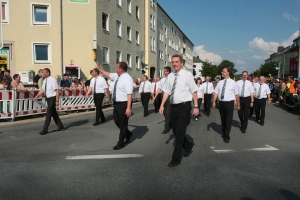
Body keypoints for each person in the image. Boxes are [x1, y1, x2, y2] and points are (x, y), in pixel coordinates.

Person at [159, 54, 199, 167]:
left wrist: (196, 106)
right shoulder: (170, 76)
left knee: (180, 131)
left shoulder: (187, 75)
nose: (174, 64)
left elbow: (194, 91)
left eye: (176, 62)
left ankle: (176, 159)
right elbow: (166, 91)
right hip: (173, 107)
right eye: (173, 62)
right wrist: (162, 105)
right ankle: (188, 146)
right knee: (175, 130)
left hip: (184, 106)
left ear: (181, 63)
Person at [97, 61, 133, 150]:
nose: (115, 69)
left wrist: (128, 108)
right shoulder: (118, 76)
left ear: (120, 69)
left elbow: (129, 95)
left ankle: (120, 143)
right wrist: (99, 69)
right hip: (116, 103)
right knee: (117, 120)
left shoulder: (127, 79)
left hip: (124, 103)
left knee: (123, 123)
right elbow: (108, 74)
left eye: (117, 67)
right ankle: (128, 133)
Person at [33, 68, 64, 135]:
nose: (43, 73)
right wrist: (36, 96)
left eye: (44, 72)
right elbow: (42, 90)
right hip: (48, 98)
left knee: (48, 114)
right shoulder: (45, 80)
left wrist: (57, 100)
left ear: (48, 73)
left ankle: (45, 129)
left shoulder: (53, 80)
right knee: (54, 113)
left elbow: (57, 91)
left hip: (53, 98)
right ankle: (60, 126)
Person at [212, 68, 240, 143]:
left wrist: (238, 104)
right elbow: (216, 92)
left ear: (228, 73)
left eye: (224, 71)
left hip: (229, 103)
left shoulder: (233, 83)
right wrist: (214, 101)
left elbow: (237, 94)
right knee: (223, 119)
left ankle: (227, 135)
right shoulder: (220, 82)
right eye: (222, 71)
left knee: (228, 119)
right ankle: (224, 131)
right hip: (221, 103)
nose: (222, 72)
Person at [157, 66, 172, 134]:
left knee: (168, 112)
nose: (163, 72)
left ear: (168, 71)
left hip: (169, 96)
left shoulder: (172, 78)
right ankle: (169, 122)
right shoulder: (162, 80)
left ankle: (167, 128)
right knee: (165, 112)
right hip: (162, 96)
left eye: (165, 71)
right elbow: (159, 89)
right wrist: (155, 96)